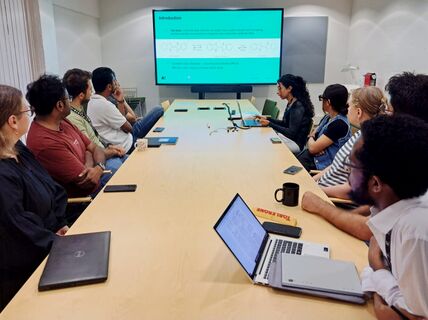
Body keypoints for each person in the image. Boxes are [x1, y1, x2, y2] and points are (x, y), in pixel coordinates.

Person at [302, 72, 428, 241]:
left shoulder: (401, 157)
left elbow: (371, 228)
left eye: (391, 112)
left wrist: (322, 205)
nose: (387, 116)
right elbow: (374, 210)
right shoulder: (384, 142)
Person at [347, 115, 428, 319]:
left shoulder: (414, 232)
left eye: (352, 167)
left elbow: (411, 315)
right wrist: (379, 273)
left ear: (376, 184)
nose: (348, 174)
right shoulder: (389, 209)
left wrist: (377, 274)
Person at [0, 85, 69, 311]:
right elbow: (19, 227)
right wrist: (57, 242)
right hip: (29, 266)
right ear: (12, 121)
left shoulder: (18, 148)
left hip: (54, 238)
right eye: (26, 111)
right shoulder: (3, 173)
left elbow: (53, 188)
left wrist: (61, 224)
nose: (30, 114)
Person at [26, 74, 107, 197]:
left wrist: (99, 167)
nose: (70, 101)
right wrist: (89, 153)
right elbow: (88, 181)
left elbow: (95, 147)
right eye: (67, 98)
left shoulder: (62, 121)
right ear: (59, 105)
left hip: (99, 176)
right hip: (86, 201)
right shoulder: (45, 143)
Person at [314, 86, 387, 199]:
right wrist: (311, 181)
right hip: (321, 191)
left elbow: (352, 189)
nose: (346, 109)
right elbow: (336, 166)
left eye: (349, 106)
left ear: (359, 112)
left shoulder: (367, 145)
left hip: (331, 201)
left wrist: (317, 189)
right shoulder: (360, 134)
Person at [63, 68, 127, 185]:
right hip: (100, 160)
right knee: (119, 170)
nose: (92, 93)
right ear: (81, 95)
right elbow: (88, 149)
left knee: (132, 162)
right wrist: (112, 152)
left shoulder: (80, 110)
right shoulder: (73, 118)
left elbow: (94, 138)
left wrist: (110, 146)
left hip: (104, 152)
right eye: (90, 90)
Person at [87, 67, 164, 154]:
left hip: (124, 137)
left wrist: (120, 101)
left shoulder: (93, 102)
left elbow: (125, 121)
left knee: (146, 117)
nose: (116, 83)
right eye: (114, 81)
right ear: (109, 86)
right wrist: (121, 100)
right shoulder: (105, 105)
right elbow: (129, 128)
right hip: (128, 143)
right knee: (158, 109)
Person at [297, 84, 351, 171]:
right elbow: (314, 141)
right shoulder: (328, 117)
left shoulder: (339, 124)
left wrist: (311, 137)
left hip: (321, 166)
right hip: (312, 159)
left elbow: (312, 148)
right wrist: (314, 141)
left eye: (322, 99)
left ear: (328, 102)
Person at [254, 74, 314, 153]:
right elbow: (284, 123)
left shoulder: (298, 106)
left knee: (266, 145)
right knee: (265, 139)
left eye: (280, 88)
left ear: (289, 88)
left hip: (296, 144)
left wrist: (270, 124)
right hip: (289, 139)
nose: (278, 92)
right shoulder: (291, 102)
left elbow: (291, 133)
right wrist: (267, 119)